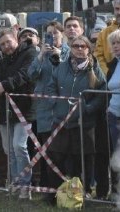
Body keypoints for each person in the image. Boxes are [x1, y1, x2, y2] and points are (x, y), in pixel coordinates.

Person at [46, 35, 106, 196]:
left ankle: (81, 194)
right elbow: (51, 88)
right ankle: (54, 194)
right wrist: (56, 103)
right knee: (56, 158)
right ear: (71, 49)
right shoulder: (61, 67)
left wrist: (87, 108)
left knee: (82, 162)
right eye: (75, 46)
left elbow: (102, 94)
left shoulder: (95, 70)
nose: (79, 49)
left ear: (89, 50)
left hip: (83, 124)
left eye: (83, 46)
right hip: (61, 122)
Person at [0, 27, 36, 199]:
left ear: (16, 39)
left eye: (8, 42)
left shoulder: (30, 53)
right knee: (9, 149)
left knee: (19, 146)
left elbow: (25, 74)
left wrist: (4, 85)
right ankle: (15, 183)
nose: (6, 46)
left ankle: (25, 184)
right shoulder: (3, 59)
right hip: (4, 109)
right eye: (2, 44)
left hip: (24, 108)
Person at [27, 20, 69, 195]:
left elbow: (67, 75)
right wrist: (40, 57)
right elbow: (31, 75)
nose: (52, 36)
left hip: (62, 108)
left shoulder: (68, 53)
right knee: (44, 148)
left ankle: (63, 186)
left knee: (60, 149)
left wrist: (60, 57)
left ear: (62, 34)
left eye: (55, 33)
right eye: (49, 33)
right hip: (44, 109)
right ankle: (46, 187)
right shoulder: (41, 54)